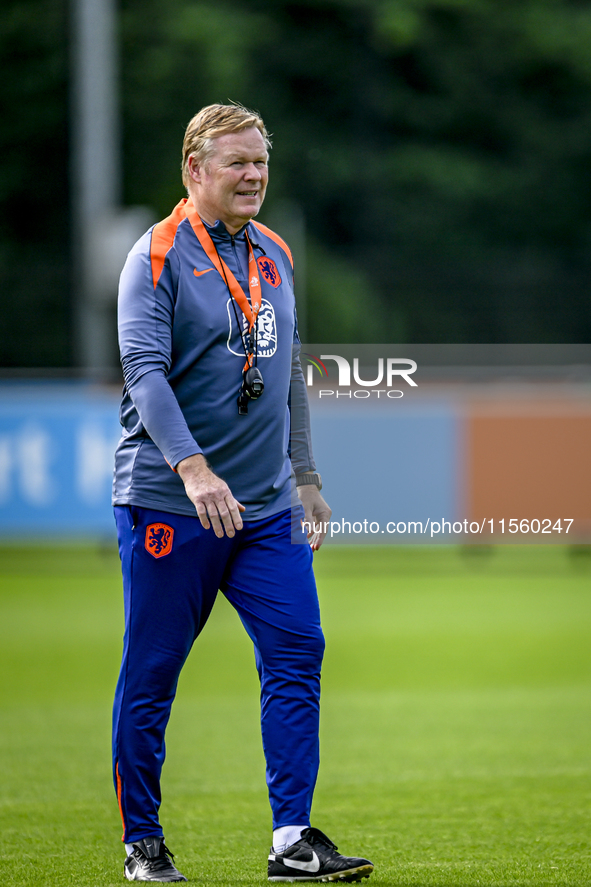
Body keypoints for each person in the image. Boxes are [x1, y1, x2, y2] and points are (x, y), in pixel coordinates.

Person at [112, 102, 374, 883]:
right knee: (153, 671)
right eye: (236, 162)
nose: (253, 175)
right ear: (194, 170)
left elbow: (289, 367)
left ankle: (292, 838)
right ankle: (144, 841)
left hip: (266, 508)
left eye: (260, 161)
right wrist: (194, 471)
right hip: (170, 501)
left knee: (298, 650)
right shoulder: (155, 256)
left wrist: (306, 475)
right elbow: (143, 371)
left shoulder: (275, 252)